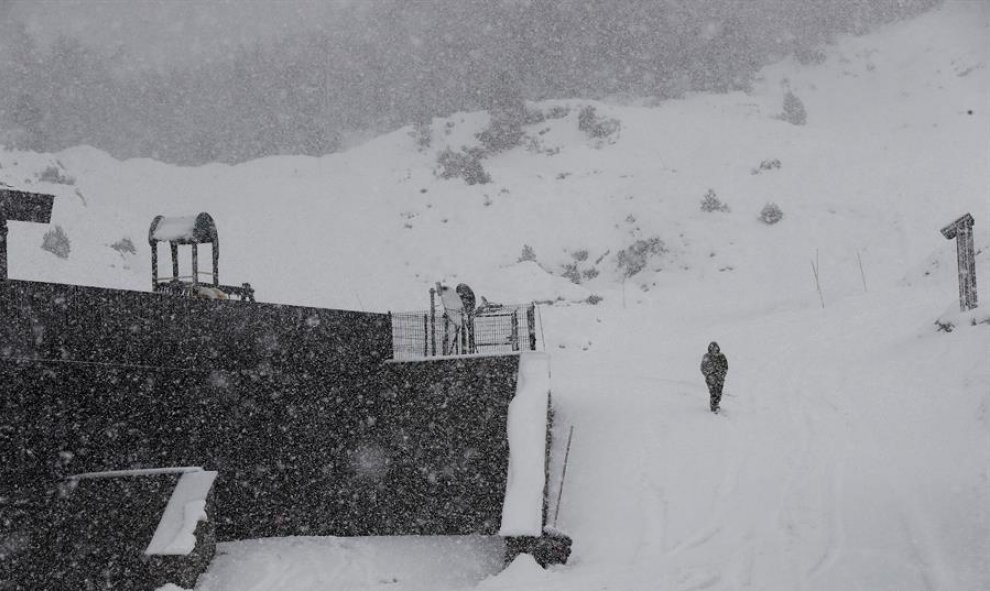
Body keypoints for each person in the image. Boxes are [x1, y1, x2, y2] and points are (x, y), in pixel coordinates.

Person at [700, 341, 729, 414]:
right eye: (712, 349)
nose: (714, 351)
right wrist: (709, 375)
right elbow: (703, 368)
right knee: (713, 392)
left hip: (720, 378)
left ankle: (717, 403)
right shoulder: (706, 357)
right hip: (711, 379)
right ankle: (713, 407)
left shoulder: (722, 356)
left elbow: (725, 367)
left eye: (715, 349)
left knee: (719, 392)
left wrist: (722, 375)